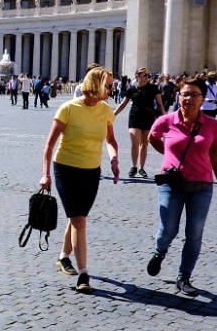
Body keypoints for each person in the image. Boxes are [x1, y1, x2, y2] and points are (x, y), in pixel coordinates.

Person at [145, 78, 217, 296]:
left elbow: (216, 157)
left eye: (195, 95)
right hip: (172, 185)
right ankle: (159, 252)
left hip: (201, 185)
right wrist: (169, 156)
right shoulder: (165, 121)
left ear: (203, 99)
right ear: (178, 96)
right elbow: (152, 138)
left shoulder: (212, 125)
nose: (189, 99)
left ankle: (184, 277)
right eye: (185, 94)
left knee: (194, 233)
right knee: (167, 230)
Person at [39, 66, 120, 292]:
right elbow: (49, 145)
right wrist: (45, 174)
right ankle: (83, 274)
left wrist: (114, 159)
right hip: (66, 169)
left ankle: (63, 256)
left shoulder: (105, 110)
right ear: (96, 85)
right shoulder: (68, 108)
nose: (112, 90)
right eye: (108, 86)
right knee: (79, 220)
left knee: (78, 217)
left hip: (91, 170)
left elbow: (111, 140)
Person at [113, 68, 165, 179]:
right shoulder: (131, 89)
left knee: (144, 143)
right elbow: (123, 104)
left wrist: (165, 117)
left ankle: (141, 168)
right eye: (144, 75)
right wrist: (113, 114)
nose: (147, 77)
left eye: (147, 75)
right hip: (135, 116)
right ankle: (134, 167)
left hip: (148, 117)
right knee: (135, 141)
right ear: (137, 76)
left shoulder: (153, 88)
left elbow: (160, 104)